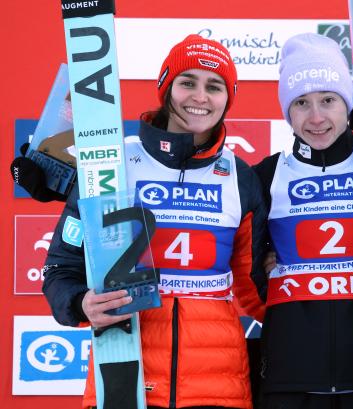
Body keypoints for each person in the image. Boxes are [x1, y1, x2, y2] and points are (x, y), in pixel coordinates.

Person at [41, 34, 267, 409]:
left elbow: (254, 287)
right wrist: (81, 304)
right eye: (187, 82)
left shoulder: (240, 177)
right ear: (166, 88)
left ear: (228, 99)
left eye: (214, 86)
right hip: (125, 372)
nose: (200, 96)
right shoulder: (112, 164)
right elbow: (61, 268)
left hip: (217, 384)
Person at [252, 33, 353, 409]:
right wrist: (263, 271)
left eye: (328, 100)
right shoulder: (266, 175)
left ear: (347, 103)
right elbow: (236, 260)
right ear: (287, 110)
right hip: (289, 378)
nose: (316, 117)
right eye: (301, 103)